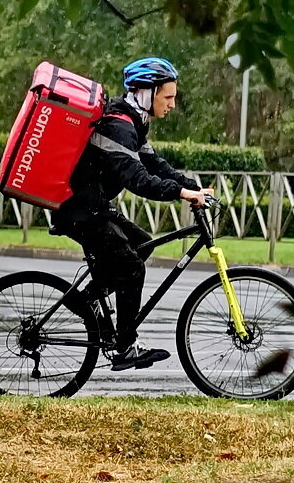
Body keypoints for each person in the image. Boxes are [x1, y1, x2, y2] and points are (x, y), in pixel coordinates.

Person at [52, 57, 213, 371]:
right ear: (146, 93)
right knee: (132, 269)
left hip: (92, 207)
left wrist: (193, 186)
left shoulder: (134, 121)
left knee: (143, 244)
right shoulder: (118, 126)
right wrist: (181, 194)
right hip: (79, 211)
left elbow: (155, 165)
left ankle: (88, 299)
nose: (172, 104)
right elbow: (138, 179)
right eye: (167, 97)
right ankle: (125, 346)